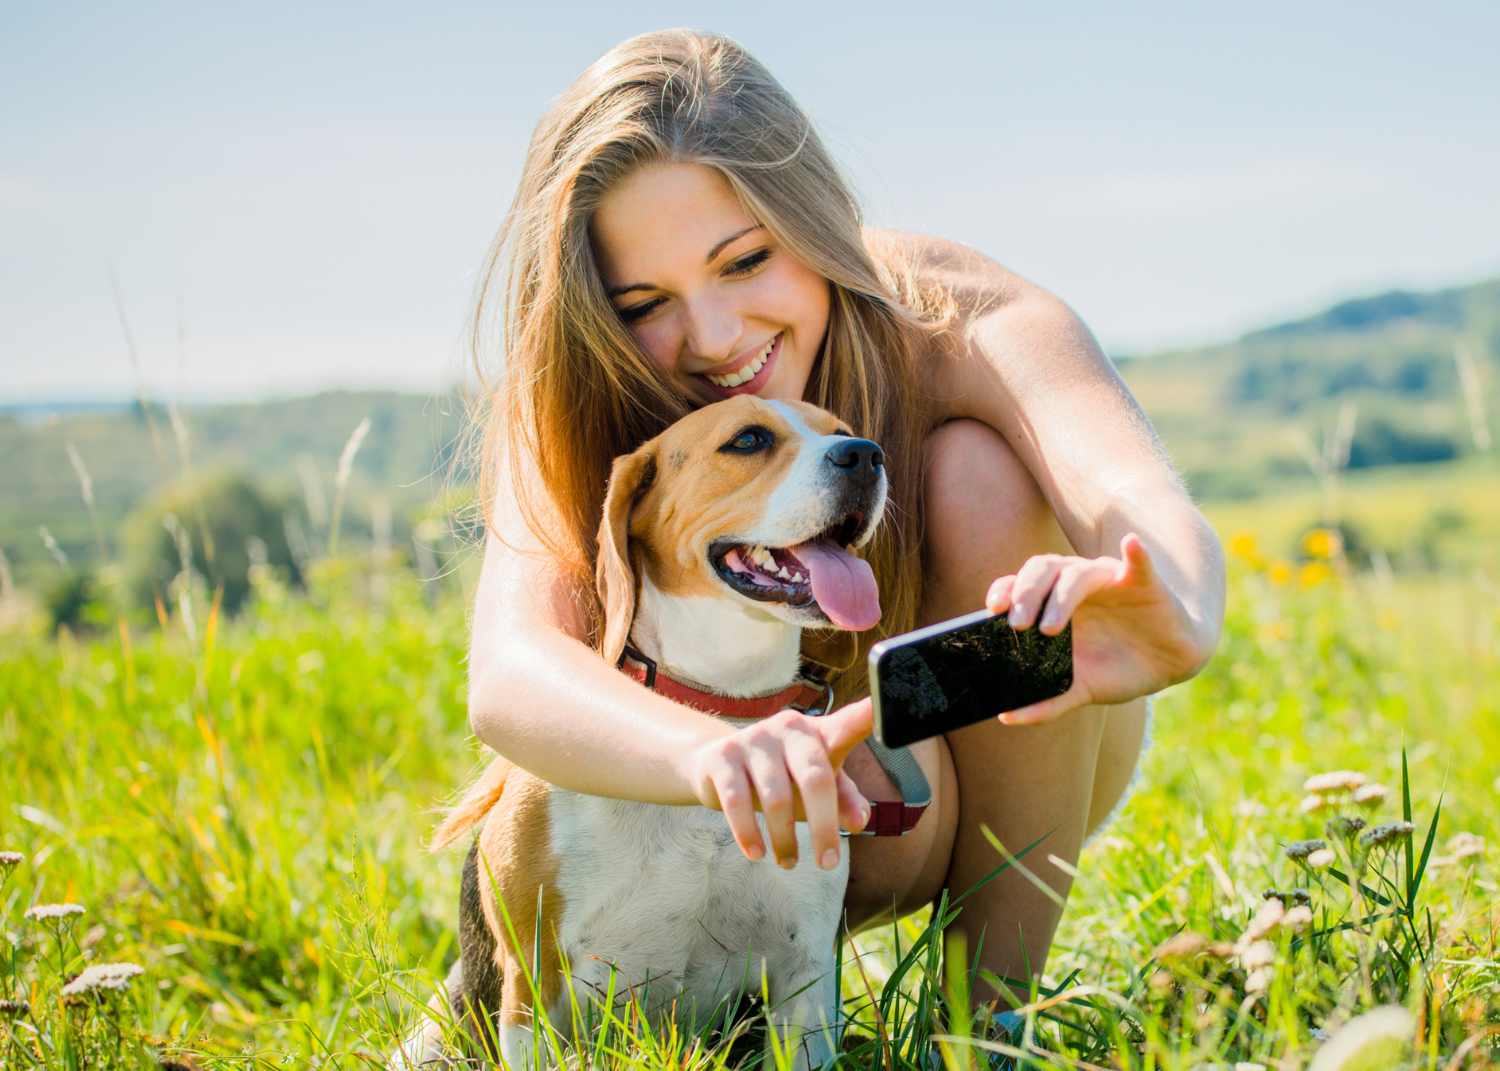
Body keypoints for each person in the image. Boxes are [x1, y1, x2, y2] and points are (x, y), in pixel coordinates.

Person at [460, 27, 1224, 1022]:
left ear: (813, 219)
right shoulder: (578, 387)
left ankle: (988, 1018)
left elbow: (1127, 487)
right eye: (647, 303)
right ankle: (578, 983)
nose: (716, 338)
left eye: (745, 260)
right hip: (692, 802)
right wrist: (710, 755)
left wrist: (1175, 604)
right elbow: (512, 673)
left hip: (923, 780)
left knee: (981, 480)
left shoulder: (945, 312)